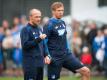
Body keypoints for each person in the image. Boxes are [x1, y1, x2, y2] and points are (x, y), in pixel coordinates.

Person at [43, 2, 90, 80]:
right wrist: (47, 55)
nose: (61, 12)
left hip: (66, 55)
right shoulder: (48, 24)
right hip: (55, 58)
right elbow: (44, 42)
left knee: (86, 71)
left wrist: (68, 50)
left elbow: (64, 38)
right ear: (53, 11)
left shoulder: (62, 22)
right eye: (58, 10)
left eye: (62, 10)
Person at [20, 9, 50, 80]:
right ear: (30, 17)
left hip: (40, 63)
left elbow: (43, 44)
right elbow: (25, 45)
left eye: (40, 17)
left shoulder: (39, 29)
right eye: (36, 17)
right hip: (30, 64)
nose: (39, 19)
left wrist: (46, 55)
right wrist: (38, 39)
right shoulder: (25, 29)